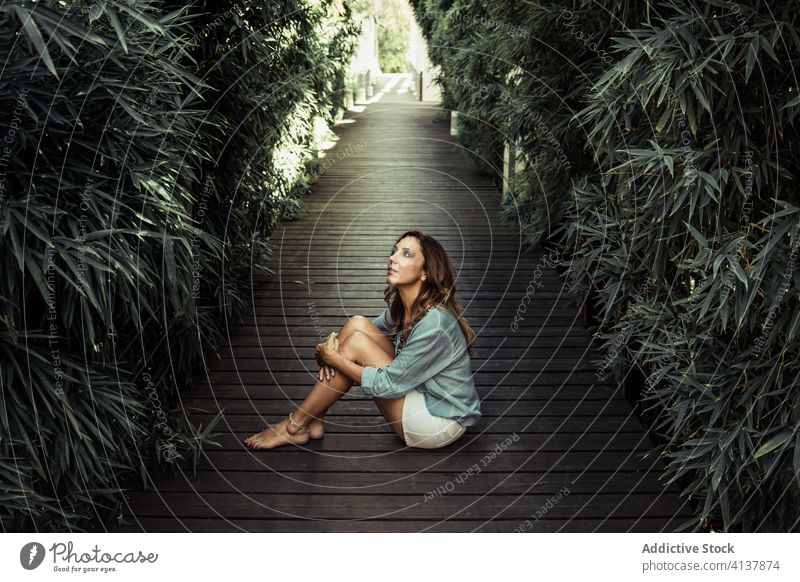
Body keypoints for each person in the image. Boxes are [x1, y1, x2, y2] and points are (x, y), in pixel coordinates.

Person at [244, 230, 482, 450]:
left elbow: (387, 383)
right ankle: (313, 418)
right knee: (356, 324)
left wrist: (335, 359)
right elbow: (358, 333)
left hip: (439, 420)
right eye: (394, 251)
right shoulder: (405, 308)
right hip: (419, 394)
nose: (393, 258)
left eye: (406, 254)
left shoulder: (435, 323)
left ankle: (294, 425)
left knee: (355, 344)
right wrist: (331, 347)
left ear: (425, 272)